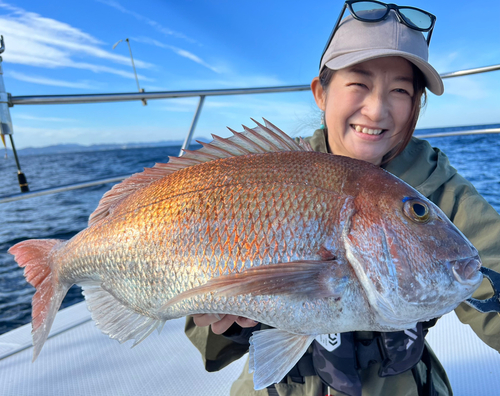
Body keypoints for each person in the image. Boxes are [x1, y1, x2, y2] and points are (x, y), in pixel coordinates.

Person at [185, 2, 500, 395]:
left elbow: (490, 267)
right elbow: (191, 317)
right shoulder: (262, 176)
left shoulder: (436, 189)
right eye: (359, 83)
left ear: (416, 105)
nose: (377, 108)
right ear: (321, 92)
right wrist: (229, 324)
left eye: (400, 90)